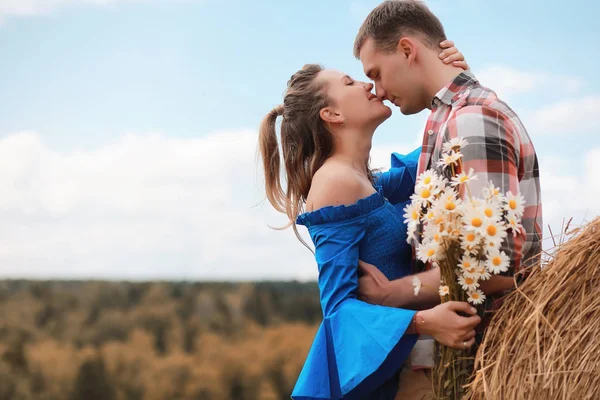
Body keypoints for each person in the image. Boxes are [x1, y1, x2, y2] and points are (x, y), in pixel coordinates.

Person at [257, 44, 481, 400]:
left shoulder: (365, 179)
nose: (366, 85)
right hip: (392, 379)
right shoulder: (334, 182)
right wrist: (426, 322)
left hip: (418, 362)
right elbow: (338, 308)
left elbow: (437, 156)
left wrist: (456, 86)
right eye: (349, 82)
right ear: (332, 114)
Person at [353, 0, 543, 396]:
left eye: (377, 73)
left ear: (407, 50)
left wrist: (392, 293)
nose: (380, 91)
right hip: (451, 361)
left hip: (473, 367)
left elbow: (494, 265)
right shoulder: (450, 118)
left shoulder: (470, 119)